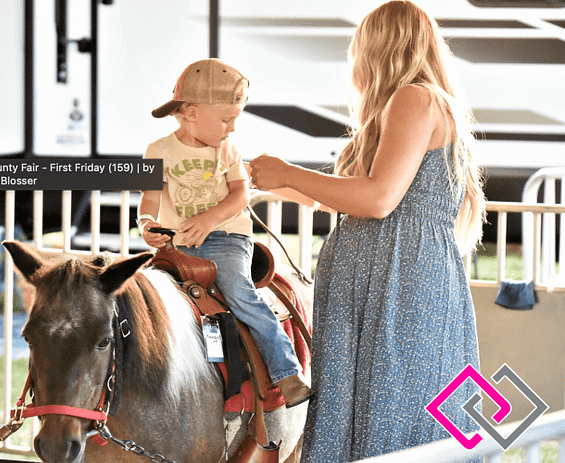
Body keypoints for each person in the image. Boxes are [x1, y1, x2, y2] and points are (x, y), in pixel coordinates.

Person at [249, 1, 486, 461]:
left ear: (378, 48)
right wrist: (270, 181)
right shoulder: (418, 102)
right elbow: (353, 197)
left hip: (396, 284)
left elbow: (378, 199)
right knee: (396, 399)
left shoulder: (414, 98)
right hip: (388, 281)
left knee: (394, 400)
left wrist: (289, 173)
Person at [137, 58, 313, 408]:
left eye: (234, 119)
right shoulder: (158, 151)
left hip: (226, 237)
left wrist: (208, 220)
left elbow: (240, 195)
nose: (232, 128)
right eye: (225, 119)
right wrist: (145, 224)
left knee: (238, 291)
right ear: (191, 113)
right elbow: (150, 197)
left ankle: (287, 373)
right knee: (148, 300)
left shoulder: (228, 150)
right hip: (179, 243)